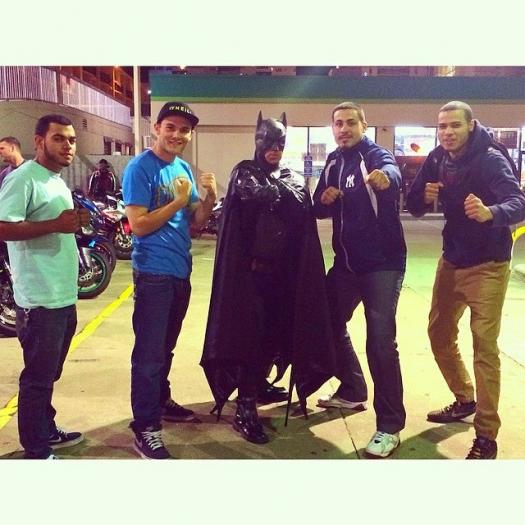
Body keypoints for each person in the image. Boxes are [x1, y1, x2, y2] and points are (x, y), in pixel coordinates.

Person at [201, 111, 336, 444]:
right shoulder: (244, 171)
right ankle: (245, 405)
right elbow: (255, 192)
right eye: (268, 141)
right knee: (250, 338)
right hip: (249, 277)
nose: (274, 148)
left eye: (280, 143)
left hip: (282, 277)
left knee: (275, 335)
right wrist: (282, 190)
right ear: (257, 140)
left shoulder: (288, 176)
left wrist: (285, 189)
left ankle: (258, 385)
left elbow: (301, 202)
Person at [406, 100, 525, 459]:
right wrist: (421, 196)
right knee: (439, 334)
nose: (447, 132)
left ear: (471, 126)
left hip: (489, 264)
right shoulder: (437, 158)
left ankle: (486, 435)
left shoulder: (490, 158)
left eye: (455, 125)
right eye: (442, 126)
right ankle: (464, 398)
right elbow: (414, 206)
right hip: (452, 259)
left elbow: (519, 202)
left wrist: (491, 212)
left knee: (484, 347)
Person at [122, 101, 217, 460]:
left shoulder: (182, 168)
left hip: (180, 271)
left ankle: (160, 401)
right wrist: (177, 202)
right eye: (171, 127)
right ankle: (145, 427)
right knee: (149, 355)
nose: (177, 134)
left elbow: (196, 221)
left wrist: (209, 196)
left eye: (184, 129)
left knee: (165, 349)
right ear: (157, 129)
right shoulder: (140, 168)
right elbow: (138, 225)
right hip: (153, 273)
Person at [313, 101, 407, 459]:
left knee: (380, 342)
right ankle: (352, 389)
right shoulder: (334, 162)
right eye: (338, 123)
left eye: (351, 122)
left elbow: (391, 172)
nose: (344, 129)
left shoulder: (374, 154)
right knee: (326, 320)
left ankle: (390, 426)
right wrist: (324, 198)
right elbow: (318, 207)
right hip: (347, 266)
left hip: (383, 265)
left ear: (364, 126)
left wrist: (386, 179)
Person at [0, 114, 90, 459]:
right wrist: (55, 224)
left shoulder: (55, 180)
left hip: (62, 295)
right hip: (39, 299)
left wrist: (72, 223)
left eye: (72, 140)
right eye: (59, 138)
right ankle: (35, 449)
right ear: (39, 141)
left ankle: (45, 427)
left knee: (50, 372)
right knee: (37, 378)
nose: (68, 145)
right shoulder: (23, 178)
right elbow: (3, 227)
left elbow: (58, 225)